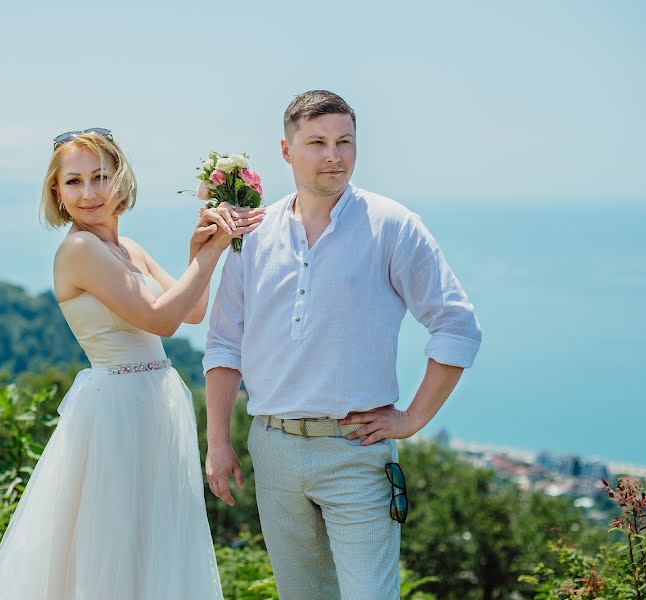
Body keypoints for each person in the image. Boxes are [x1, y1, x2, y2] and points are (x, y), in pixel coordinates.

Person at [203, 91, 482, 599]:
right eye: (317, 142)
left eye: (344, 141)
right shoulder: (254, 233)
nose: (334, 154)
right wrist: (218, 442)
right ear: (286, 151)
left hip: (357, 452)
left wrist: (413, 418)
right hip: (272, 447)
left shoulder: (393, 225)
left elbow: (457, 325)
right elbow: (224, 343)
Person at [0, 128, 265, 599]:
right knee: (113, 544)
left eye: (100, 177)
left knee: (152, 543)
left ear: (121, 181)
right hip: (116, 412)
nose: (88, 193)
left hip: (155, 403)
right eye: (73, 182)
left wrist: (196, 251)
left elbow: (190, 310)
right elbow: (161, 320)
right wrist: (211, 254)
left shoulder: (131, 249)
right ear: (57, 194)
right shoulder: (79, 250)